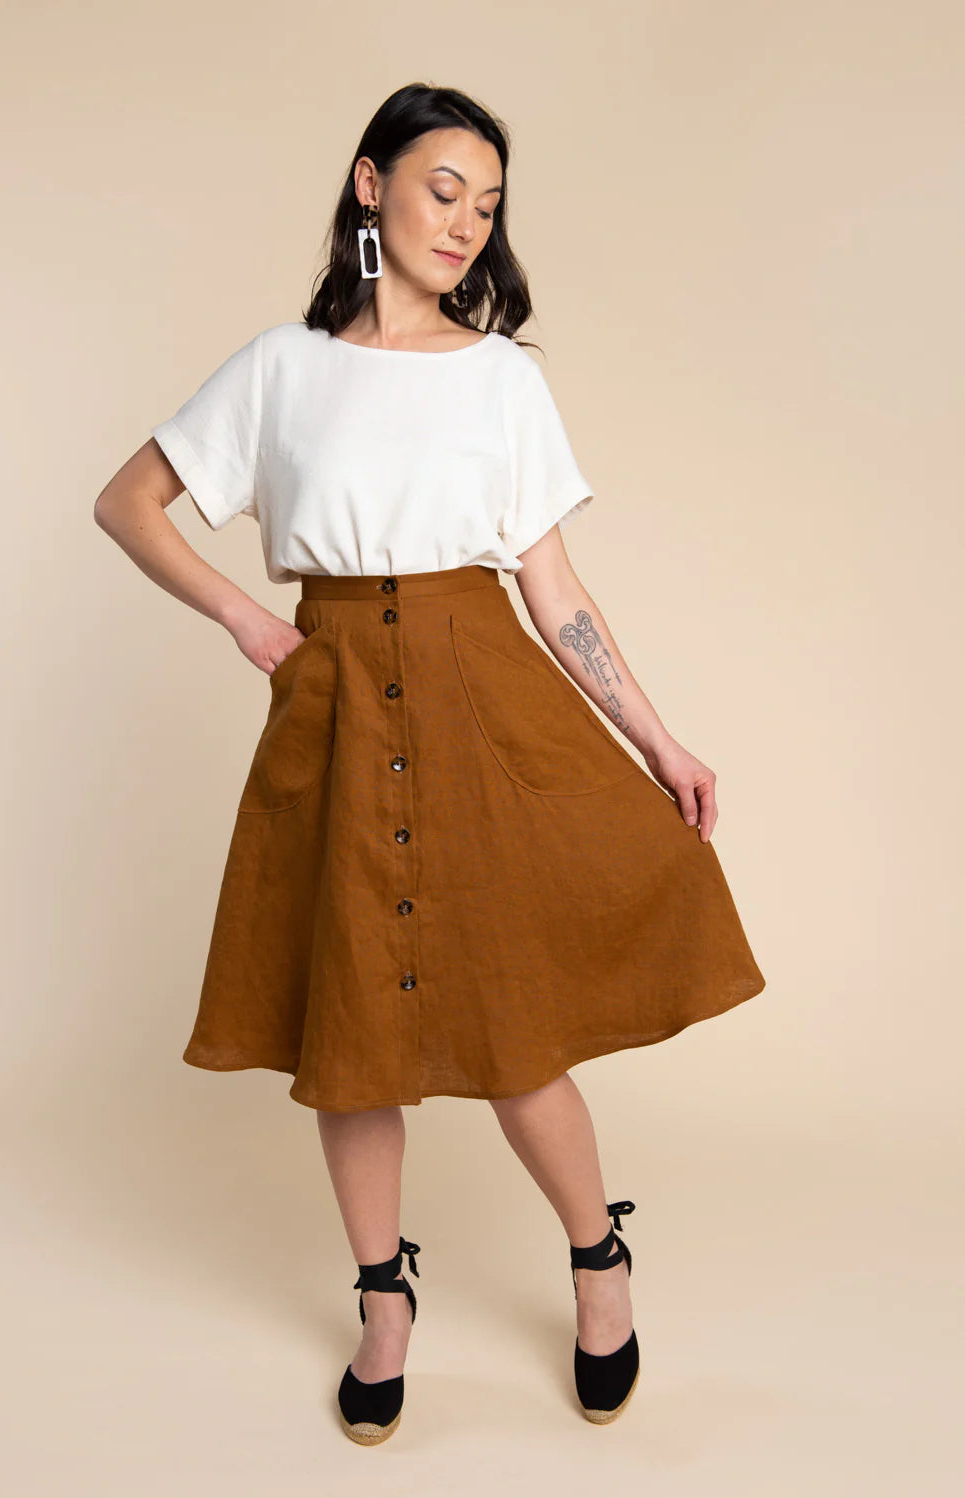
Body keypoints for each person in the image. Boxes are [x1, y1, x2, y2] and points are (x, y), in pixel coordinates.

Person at [94, 82, 766, 1445]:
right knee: (351, 1044)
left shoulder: (503, 378)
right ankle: (384, 1301)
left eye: (489, 205)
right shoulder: (281, 368)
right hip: (336, 707)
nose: (465, 223)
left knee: (515, 1021)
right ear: (371, 184)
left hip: (480, 704)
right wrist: (246, 617)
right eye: (444, 188)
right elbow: (130, 502)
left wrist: (659, 737)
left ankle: (597, 1258)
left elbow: (552, 588)